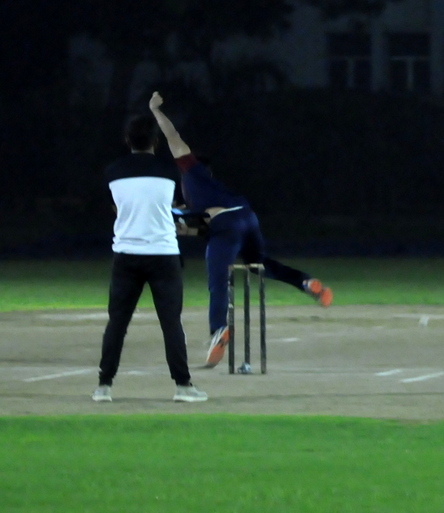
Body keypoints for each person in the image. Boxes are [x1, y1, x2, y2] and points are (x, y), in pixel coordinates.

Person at [148, 91, 333, 368]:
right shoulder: (208, 191)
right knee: (260, 264)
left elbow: (172, 136)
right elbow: (194, 227)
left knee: (218, 281)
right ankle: (306, 283)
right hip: (247, 215)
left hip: (226, 224)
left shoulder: (191, 171)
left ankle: (218, 331)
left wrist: (155, 111)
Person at [93, 114, 207, 403]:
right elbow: (177, 207)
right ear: (155, 142)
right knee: (171, 322)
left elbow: (116, 208)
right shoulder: (170, 171)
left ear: (127, 140)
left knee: (117, 322)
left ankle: (104, 386)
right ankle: (183, 386)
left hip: (126, 255)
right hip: (163, 254)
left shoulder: (112, 171)